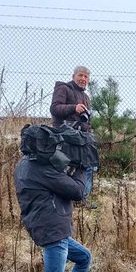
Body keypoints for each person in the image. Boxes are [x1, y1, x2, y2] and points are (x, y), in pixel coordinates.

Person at [14, 137, 92, 272]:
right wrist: (81, 166)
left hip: (45, 227)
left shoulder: (25, 164)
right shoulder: (43, 170)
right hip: (53, 230)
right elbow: (79, 191)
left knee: (84, 257)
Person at [50, 66, 98, 209]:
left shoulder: (86, 97)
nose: (83, 79)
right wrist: (73, 108)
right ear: (73, 76)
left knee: (87, 167)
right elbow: (54, 109)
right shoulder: (63, 89)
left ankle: (81, 198)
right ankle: (61, 199)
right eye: (80, 75)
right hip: (65, 137)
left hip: (82, 137)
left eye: (86, 77)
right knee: (63, 168)